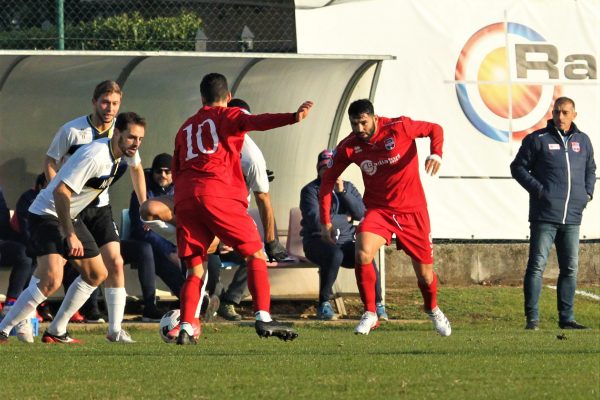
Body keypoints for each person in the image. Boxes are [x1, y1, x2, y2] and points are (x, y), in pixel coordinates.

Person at [172, 72, 313, 344]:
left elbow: (177, 169)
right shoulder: (229, 115)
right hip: (218, 193)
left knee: (195, 270)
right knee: (256, 255)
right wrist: (293, 117)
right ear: (227, 98)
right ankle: (263, 317)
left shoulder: (185, 127)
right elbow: (256, 121)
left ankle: (187, 326)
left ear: (202, 98)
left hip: (186, 198)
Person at [0, 112, 146, 344]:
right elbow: (61, 192)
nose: (136, 144)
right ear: (116, 132)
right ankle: (3, 329)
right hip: (46, 214)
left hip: (69, 215)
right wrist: (70, 235)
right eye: (131, 137)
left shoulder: (125, 152)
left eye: (140, 139)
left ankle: (56, 330)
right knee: (51, 279)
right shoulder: (95, 156)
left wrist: (144, 205)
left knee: (97, 274)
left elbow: (137, 169)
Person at [319, 99, 451, 336]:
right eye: (354, 124)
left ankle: (432, 309)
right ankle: (370, 312)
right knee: (362, 252)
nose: (359, 129)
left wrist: (436, 154)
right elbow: (328, 179)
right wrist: (325, 220)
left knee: (424, 275)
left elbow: (435, 129)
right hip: (379, 211)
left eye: (363, 122)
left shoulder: (400, 127)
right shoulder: (349, 146)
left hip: (413, 211)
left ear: (374, 117)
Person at [44, 81, 147, 342]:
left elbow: (136, 167)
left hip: (100, 208)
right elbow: (50, 162)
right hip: (73, 209)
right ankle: (22, 319)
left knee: (116, 262)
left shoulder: (123, 131)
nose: (109, 108)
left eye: (114, 103)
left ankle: (114, 329)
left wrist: (144, 205)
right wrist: (59, 193)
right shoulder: (72, 130)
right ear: (94, 101)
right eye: (104, 102)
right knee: (52, 271)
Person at [510, 96, 596, 331]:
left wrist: (587, 193)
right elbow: (517, 167)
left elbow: (591, 168)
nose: (560, 117)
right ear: (552, 113)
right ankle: (533, 320)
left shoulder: (583, 141)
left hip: (572, 217)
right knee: (537, 266)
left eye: (565, 112)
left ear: (574, 115)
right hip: (544, 215)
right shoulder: (537, 139)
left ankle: (566, 319)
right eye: (557, 112)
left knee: (570, 268)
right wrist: (539, 190)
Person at [301, 149, 387, 321]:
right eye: (324, 168)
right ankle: (324, 304)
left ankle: (376, 304)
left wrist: (342, 193)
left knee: (365, 254)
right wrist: (344, 218)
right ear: (318, 169)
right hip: (317, 241)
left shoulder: (348, 187)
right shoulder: (310, 190)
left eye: (331, 168)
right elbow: (317, 221)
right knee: (335, 254)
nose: (328, 172)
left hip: (346, 241)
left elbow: (361, 213)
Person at [128, 153, 184, 321]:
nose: (163, 175)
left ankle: (196, 300)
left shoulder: (180, 191)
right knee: (151, 252)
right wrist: (169, 251)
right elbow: (141, 228)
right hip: (146, 245)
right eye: (159, 171)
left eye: (168, 171)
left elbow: (181, 222)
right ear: (152, 173)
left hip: (172, 243)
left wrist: (174, 248)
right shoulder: (142, 191)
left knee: (206, 255)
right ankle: (150, 306)